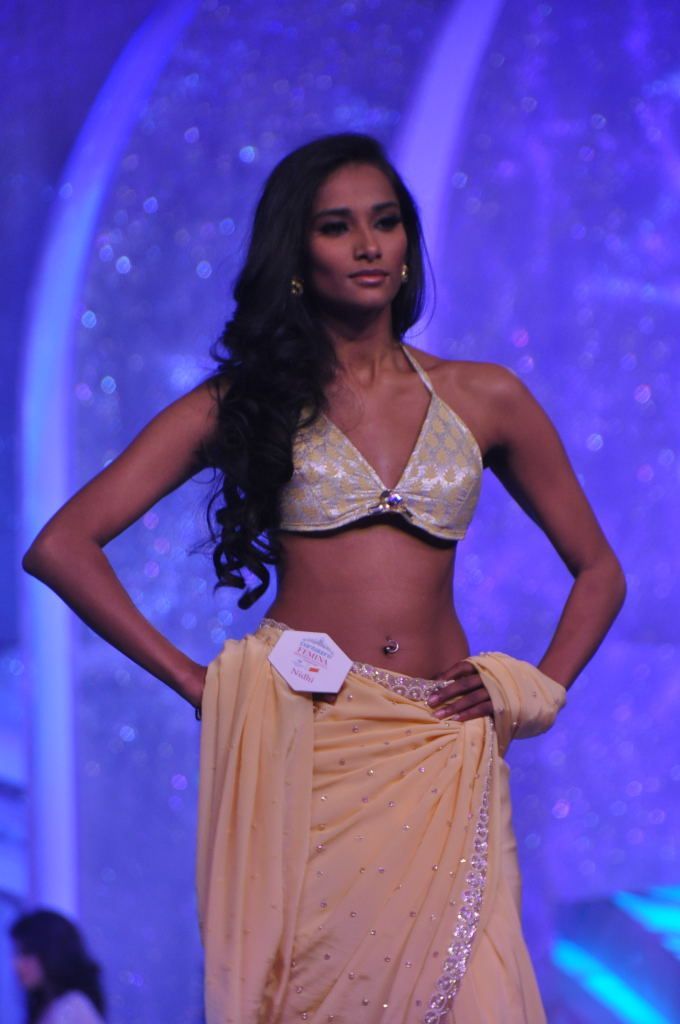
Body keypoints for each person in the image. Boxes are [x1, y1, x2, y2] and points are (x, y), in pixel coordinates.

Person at [23, 133, 625, 1023]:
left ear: (408, 241)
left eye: (385, 222)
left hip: (441, 745)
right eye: (338, 227)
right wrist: (197, 681)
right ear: (297, 255)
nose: (369, 245)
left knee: (479, 993)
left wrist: (534, 690)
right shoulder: (246, 403)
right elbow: (62, 544)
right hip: (312, 741)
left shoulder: (485, 396)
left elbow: (600, 571)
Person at [10, 910, 105, 1024]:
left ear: (53, 952)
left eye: (26, 952)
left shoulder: (74, 1006)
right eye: (17, 953)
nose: (17, 963)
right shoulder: (48, 1007)